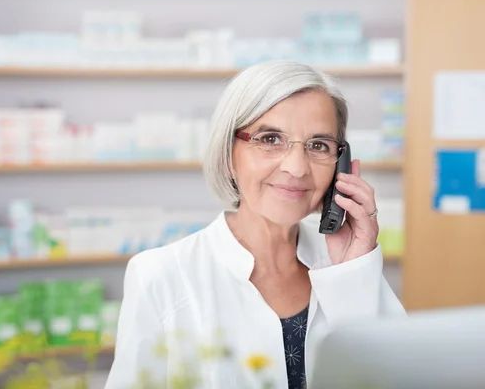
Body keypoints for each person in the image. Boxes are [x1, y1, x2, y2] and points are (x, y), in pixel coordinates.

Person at [105, 60, 406, 389]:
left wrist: (353, 274)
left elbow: (393, 377)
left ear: (341, 167)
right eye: (270, 139)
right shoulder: (161, 275)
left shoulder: (350, 265)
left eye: (318, 145)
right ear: (228, 154)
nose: (296, 168)